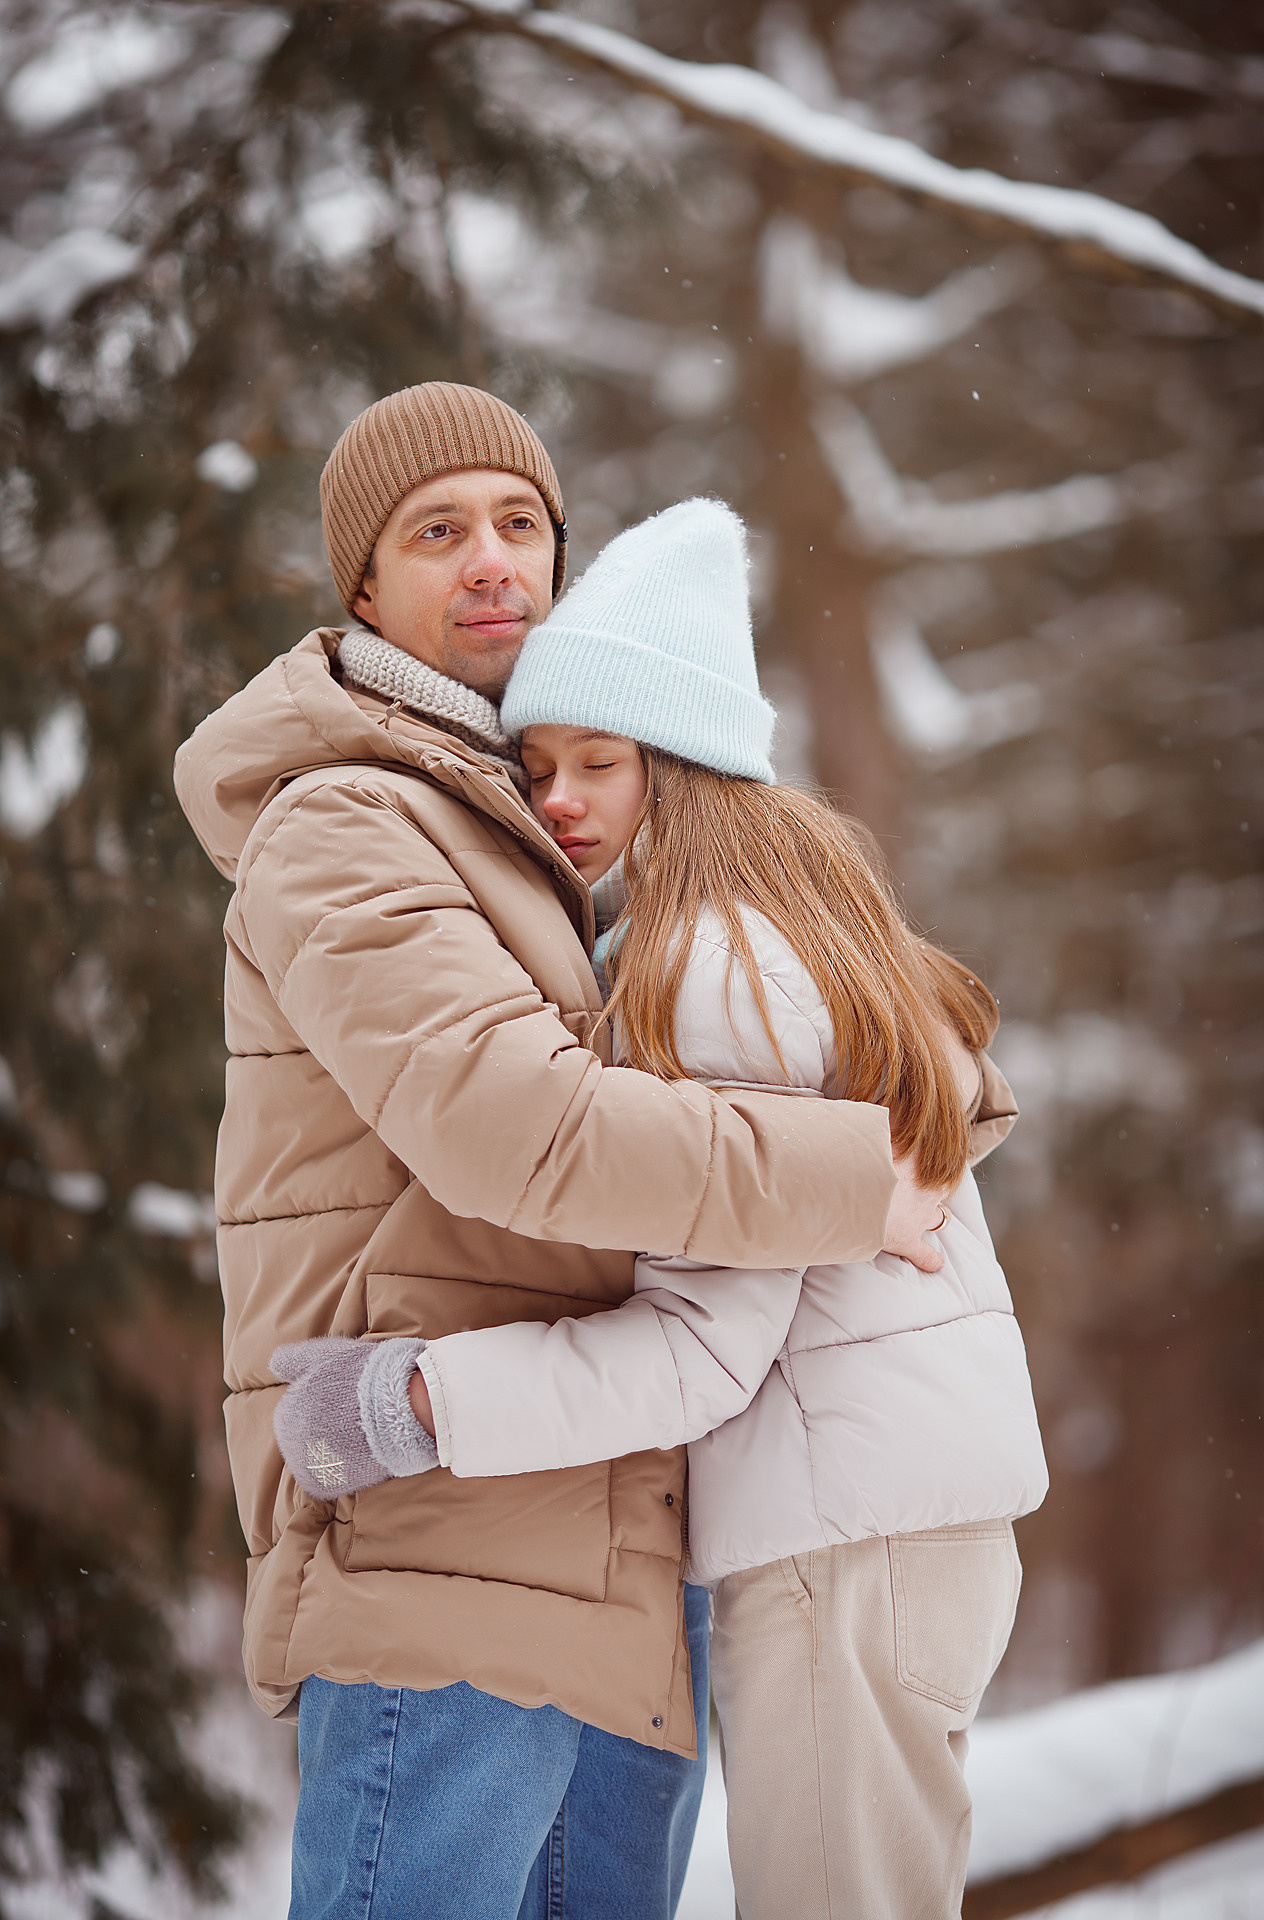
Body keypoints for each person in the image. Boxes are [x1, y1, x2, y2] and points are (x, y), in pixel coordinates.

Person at [172, 384, 952, 1920]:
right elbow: (514, 1129)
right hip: (440, 1538)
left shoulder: (548, 828)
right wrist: (861, 1176)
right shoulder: (345, 821)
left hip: (615, 1534)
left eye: (521, 525)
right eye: (438, 531)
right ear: (363, 588)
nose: (491, 562)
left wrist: (928, 1104)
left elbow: (781, 1025)